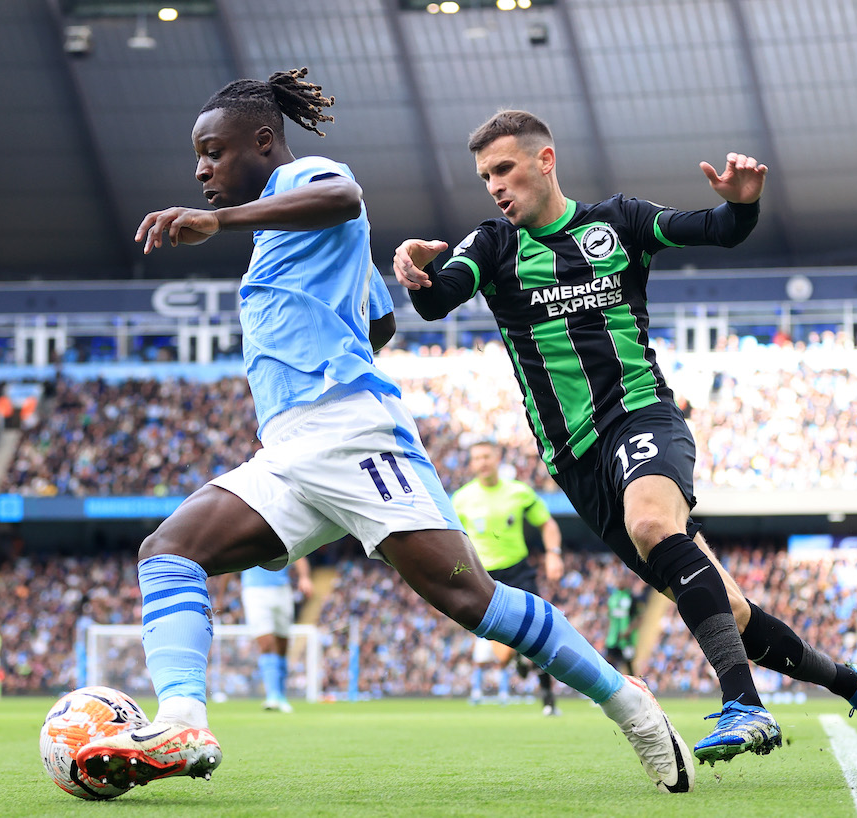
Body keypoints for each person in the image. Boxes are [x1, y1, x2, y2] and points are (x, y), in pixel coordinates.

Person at [77, 70, 694, 795]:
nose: (202, 169)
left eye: (212, 152)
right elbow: (379, 320)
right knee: (168, 552)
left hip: (352, 436)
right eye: (198, 159)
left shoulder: (306, 178)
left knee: (475, 602)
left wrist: (221, 222)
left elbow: (345, 196)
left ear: (263, 142)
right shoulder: (296, 234)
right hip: (292, 447)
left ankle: (629, 704)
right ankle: (182, 720)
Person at [393, 109, 857, 763]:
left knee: (651, 522)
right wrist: (414, 269)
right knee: (732, 610)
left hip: (644, 416)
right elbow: (437, 298)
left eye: (504, 168)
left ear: (545, 160)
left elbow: (718, 229)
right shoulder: (494, 244)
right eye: (485, 177)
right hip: (577, 461)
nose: (495, 186)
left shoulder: (619, 222)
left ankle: (744, 707)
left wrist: (743, 205)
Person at [453, 441, 564, 715]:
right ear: (471, 463)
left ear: (497, 458)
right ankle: (517, 659)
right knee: (502, 655)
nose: (482, 462)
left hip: (518, 570)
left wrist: (553, 553)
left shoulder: (519, 492)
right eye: (476, 457)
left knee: (538, 631)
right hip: (483, 576)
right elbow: (452, 539)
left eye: (486, 456)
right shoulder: (461, 500)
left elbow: (547, 523)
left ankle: (548, 698)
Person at [240, 560, 313, 713]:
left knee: (282, 645)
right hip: (254, 590)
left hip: (282, 589)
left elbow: (299, 555)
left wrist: (304, 577)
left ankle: (280, 695)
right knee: (266, 643)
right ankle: (272, 695)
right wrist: (220, 593)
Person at [604, 584, 641, 676]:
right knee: (609, 661)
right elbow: (609, 615)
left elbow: (638, 617)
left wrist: (628, 630)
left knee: (628, 663)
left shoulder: (632, 598)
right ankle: (610, 686)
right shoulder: (613, 598)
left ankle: (635, 686)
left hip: (626, 639)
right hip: (613, 638)